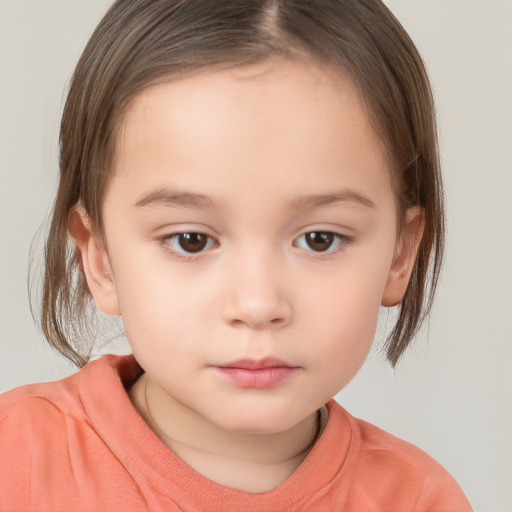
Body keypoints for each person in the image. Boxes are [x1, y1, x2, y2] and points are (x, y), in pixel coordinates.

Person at [0, 0, 473, 510]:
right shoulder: (16, 458)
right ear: (101, 258)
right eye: (191, 240)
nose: (256, 304)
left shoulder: (418, 499)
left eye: (320, 239)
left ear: (400, 253)